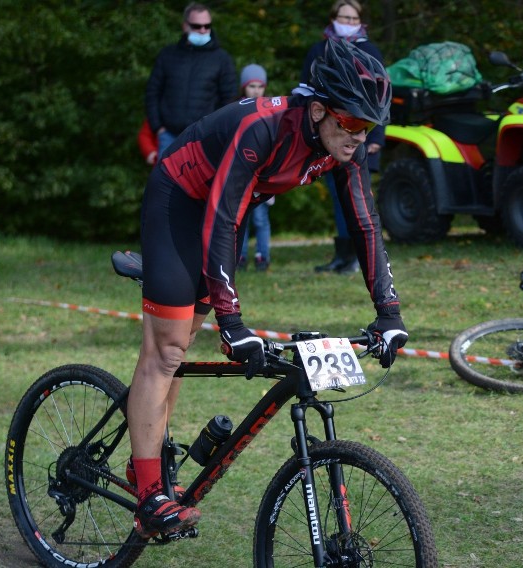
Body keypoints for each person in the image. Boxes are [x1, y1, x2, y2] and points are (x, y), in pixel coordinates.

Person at [128, 39, 407, 539]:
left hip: (222, 218)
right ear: (318, 110)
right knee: (166, 350)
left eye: (370, 127)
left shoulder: (342, 145)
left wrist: (389, 313)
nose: (360, 138)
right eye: (352, 124)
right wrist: (232, 323)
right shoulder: (265, 127)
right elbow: (220, 215)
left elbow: (365, 225)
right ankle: (148, 492)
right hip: (181, 200)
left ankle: (149, 454)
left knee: (184, 343)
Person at [301, 0, 386, 274]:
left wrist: (376, 137)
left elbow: (381, 97)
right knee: (339, 197)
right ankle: (342, 256)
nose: (348, 23)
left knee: (359, 199)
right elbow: (306, 92)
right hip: (329, 136)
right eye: (343, 17)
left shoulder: (369, 51)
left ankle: (361, 258)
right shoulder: (319, 50)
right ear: (333, 18)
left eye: (353, 19)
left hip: (361, 136)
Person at [144, 3, 238, 159]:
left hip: (203, 138)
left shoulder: (222, 59)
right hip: (168, 136)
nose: (202, 30)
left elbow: (229, 100)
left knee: (201, 184)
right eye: (197, 26)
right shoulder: (168, 55)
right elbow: (152, 92)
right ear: (184, 26)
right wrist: (158, 127)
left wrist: (214, 130)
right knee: (165, 183)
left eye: (207, 26)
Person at [236, 64, 274, 271]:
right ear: (244, 87)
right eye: (252, 86)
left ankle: (262, 256)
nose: (256, 90)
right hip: (242, 172)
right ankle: (239, 256)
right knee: (240, 218)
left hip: (262, 173)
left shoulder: (270, 112)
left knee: (260, 218)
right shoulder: (237, 110)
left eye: (260, 86)